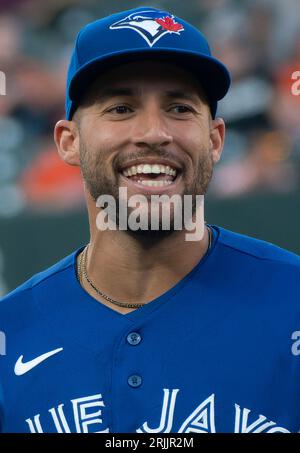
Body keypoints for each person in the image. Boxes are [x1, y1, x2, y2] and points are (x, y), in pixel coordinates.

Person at [0, 6, 300, 434]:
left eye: (179, 108)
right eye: (121, 108)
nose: (154, 132)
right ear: (69, 141)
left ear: (215, 140)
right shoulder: (9, 337)